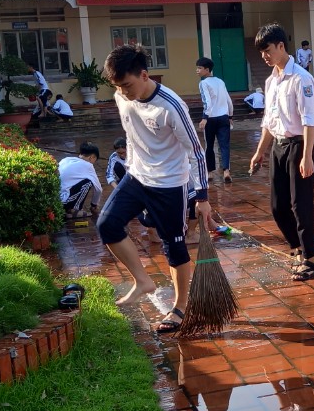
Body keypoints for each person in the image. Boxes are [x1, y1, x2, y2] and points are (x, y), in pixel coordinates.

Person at [96, 43, 211, 333]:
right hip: (137, 177)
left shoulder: (171, 106)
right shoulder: (121, 97)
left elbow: (196, 152)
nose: (123, 92)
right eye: (118, 87)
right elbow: (131, 134)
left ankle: (180, 307)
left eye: (127, 85)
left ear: (145, 75)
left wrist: (202, 196)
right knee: (107, 224)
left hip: (170, 184)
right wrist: (131, 165)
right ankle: (142, 281)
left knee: (174, 247)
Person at [248, 23, 314, 282]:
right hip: (279, 146)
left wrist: (307, 156)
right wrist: (260, 152)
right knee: (278, 206)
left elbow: (309, 120)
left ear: (281, 46)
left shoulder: (302, 79)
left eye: (267, 50)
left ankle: (310, 260)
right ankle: (296, 249)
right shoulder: (271, 81)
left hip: (299, 146)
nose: (264, 56)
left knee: (301, 205)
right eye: (261, 52)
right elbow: (269, 121)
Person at [195, 57, 234, 185]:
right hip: (223, 117)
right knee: (224, 145)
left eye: (199, 68)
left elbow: (207, 101)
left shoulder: (203, 83)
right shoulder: (220, 81)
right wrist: (230, 116)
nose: (197, 70)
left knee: (209, 146)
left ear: (207, 70)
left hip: (211, 119)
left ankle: (210, 172)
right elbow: (228, 100)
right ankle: (226, 172)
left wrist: (204, 118)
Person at [58, 143, 102, 218]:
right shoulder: (88, 166)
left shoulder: (66, 159)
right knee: (88, 182)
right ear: (92, 157)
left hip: (54, 199)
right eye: (95, 159)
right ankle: (75, 210)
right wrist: (94, 205)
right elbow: (98, 189)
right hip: (63, 202)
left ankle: (67, 210)